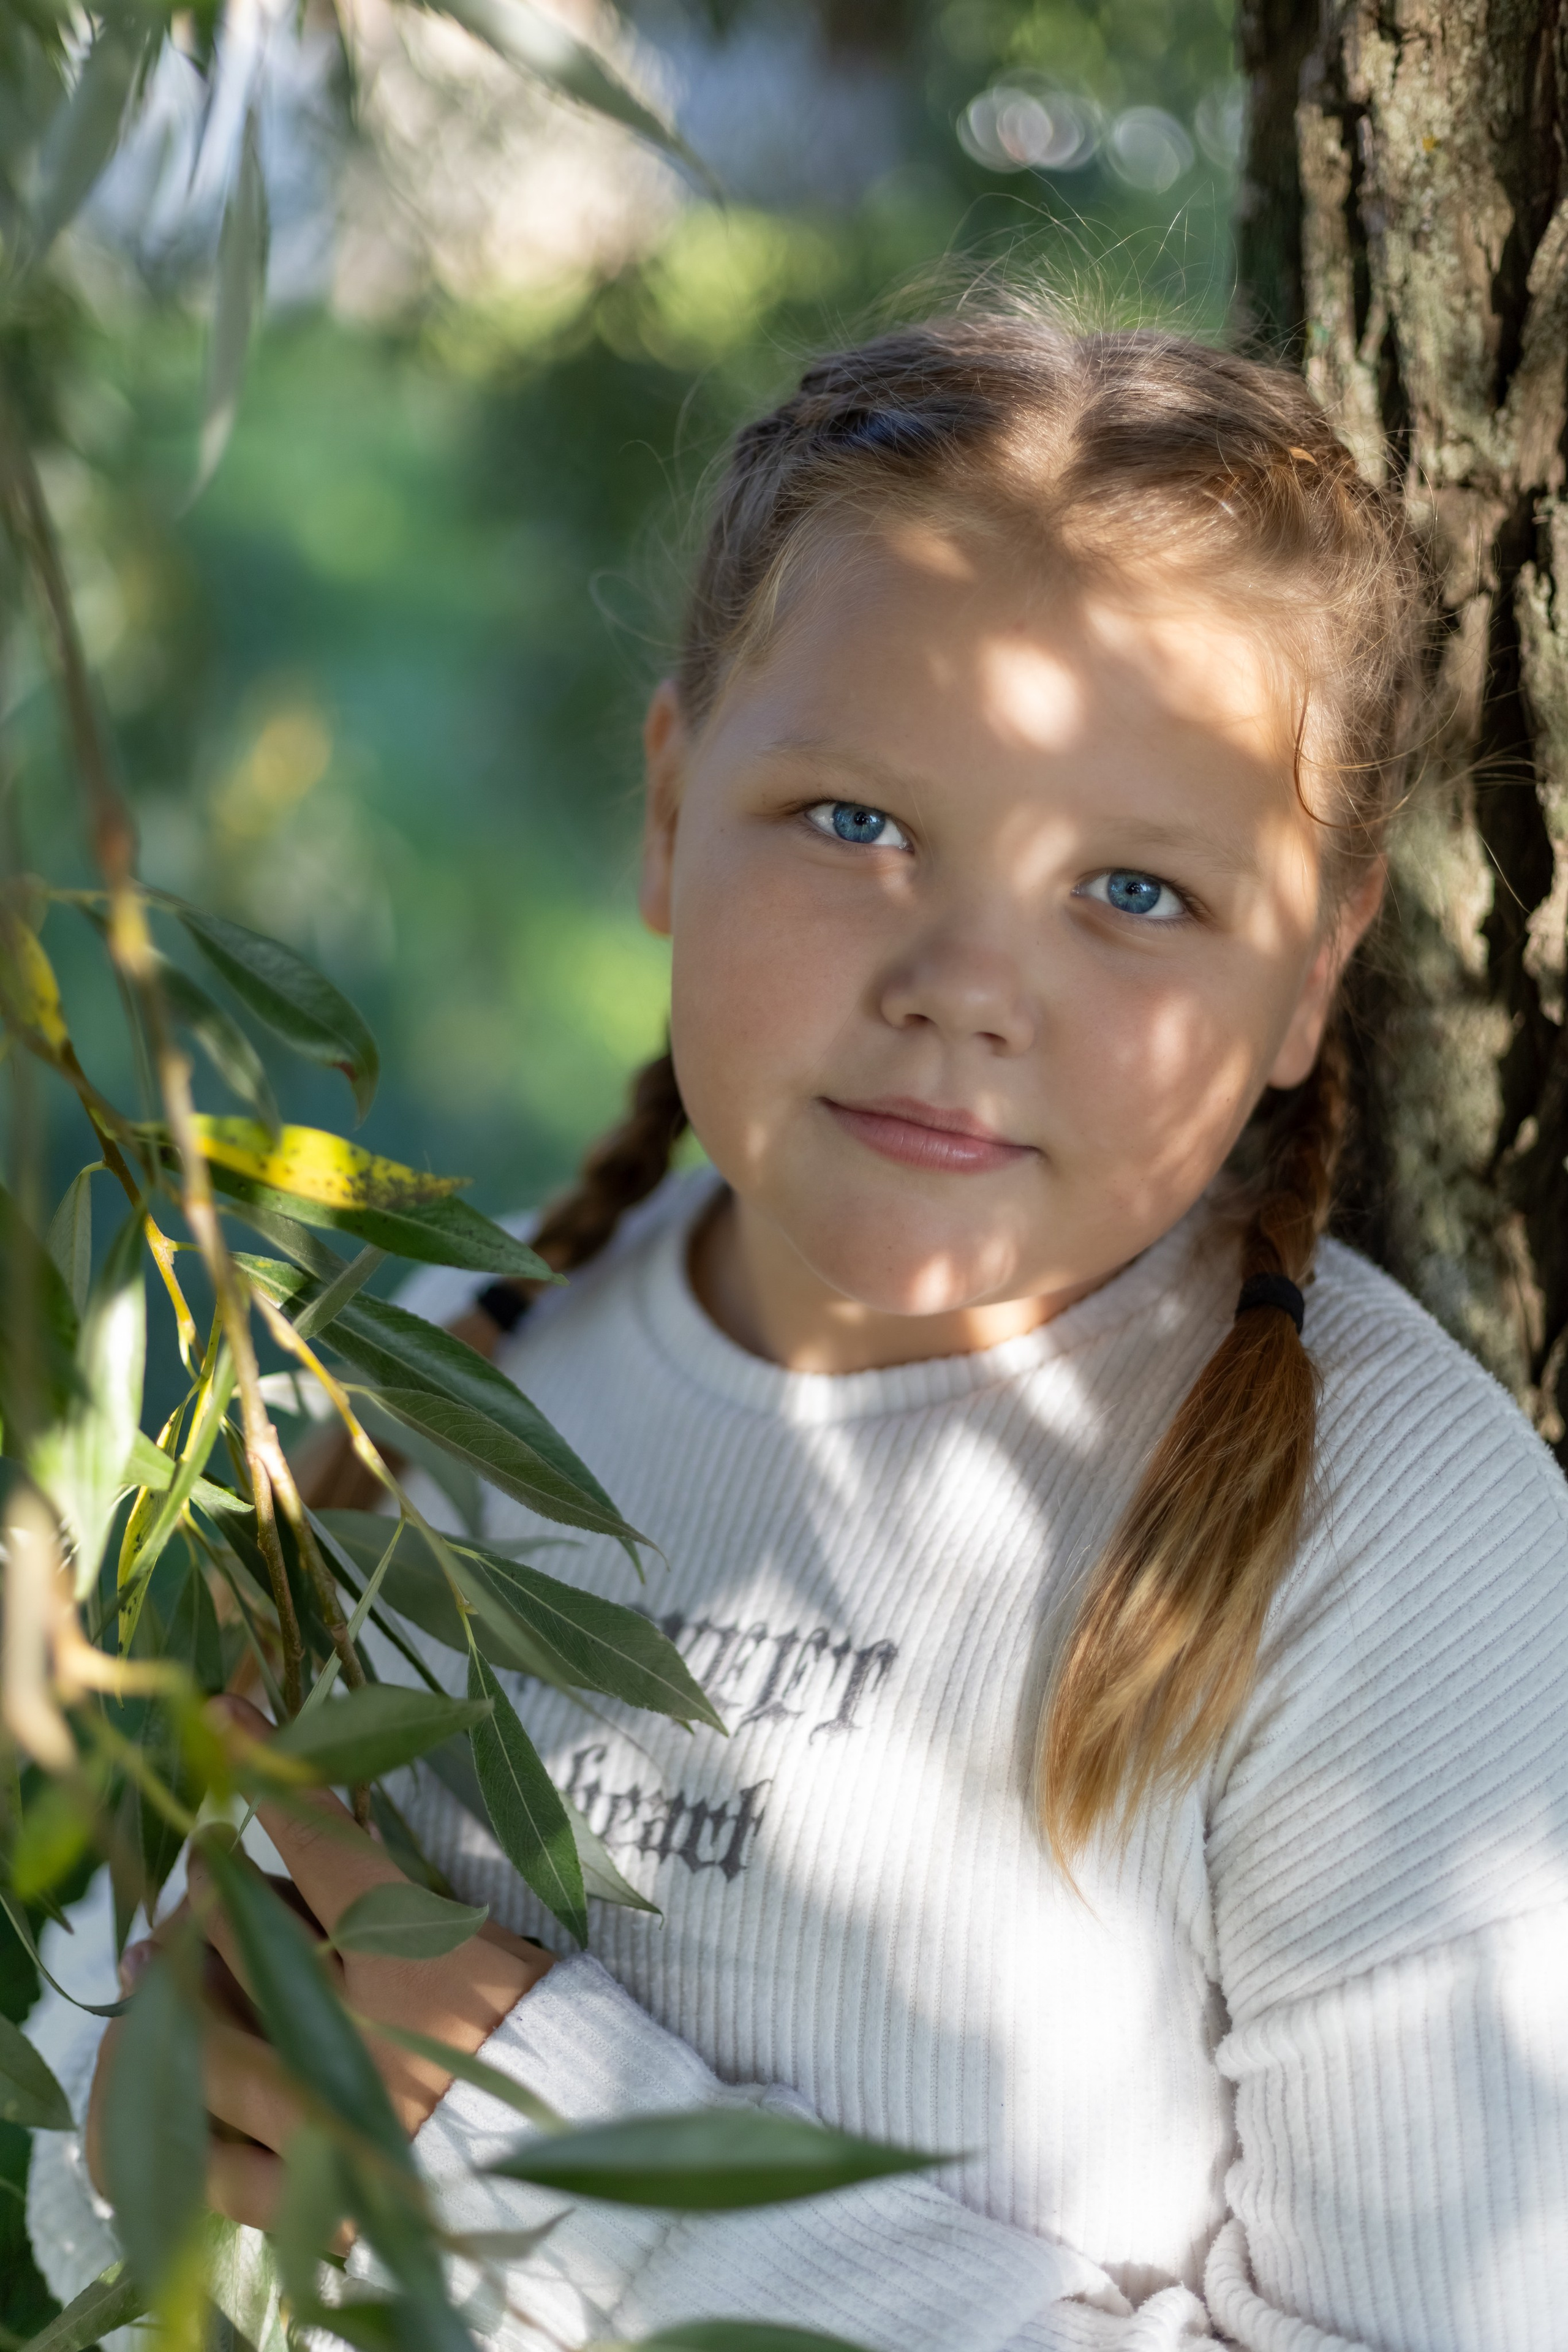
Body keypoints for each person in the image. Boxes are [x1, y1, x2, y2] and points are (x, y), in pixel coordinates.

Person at [45, 309, 1568, 2351]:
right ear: (672, 809)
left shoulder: (1397, 1545)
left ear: (1314, 967)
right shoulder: (433, 1368)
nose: (965, 986)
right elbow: (126, 2123)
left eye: (1136, 890)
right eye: (858, 823)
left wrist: (558, 2154)